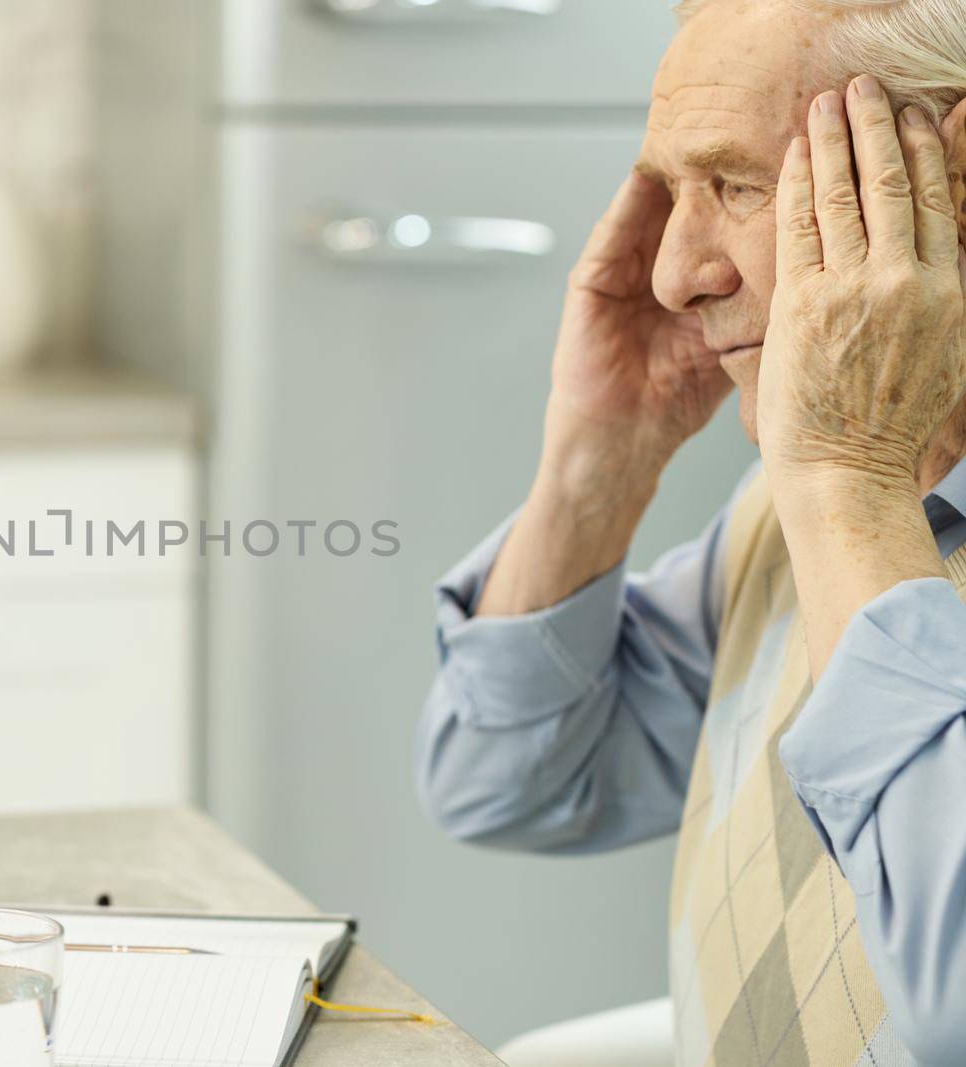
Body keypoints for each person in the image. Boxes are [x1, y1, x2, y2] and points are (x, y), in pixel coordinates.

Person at [414, 2, 966, 1064]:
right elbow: (508, 779)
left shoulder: (828, 482)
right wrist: (594, 463)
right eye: (671, 193)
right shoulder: (790, 504)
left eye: (739, 184)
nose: (672, 274)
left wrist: (847, 482)